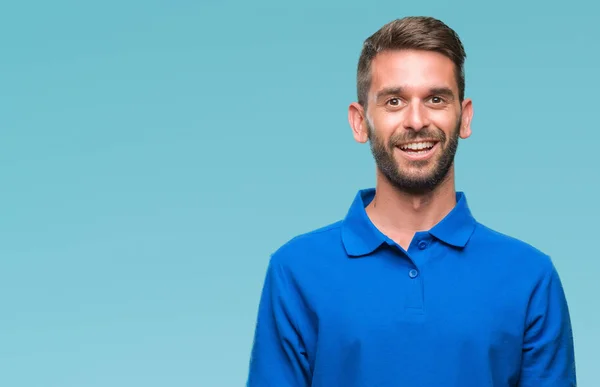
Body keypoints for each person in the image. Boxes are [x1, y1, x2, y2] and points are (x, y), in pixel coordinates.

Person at [246, 16, 576, 387]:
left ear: (464, 118)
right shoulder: (296, 270)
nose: (416, 120)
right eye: (394, 101)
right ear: (360, 122)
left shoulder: (530, 277)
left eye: (435, 99)